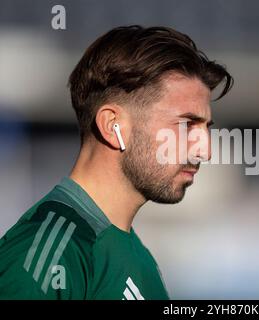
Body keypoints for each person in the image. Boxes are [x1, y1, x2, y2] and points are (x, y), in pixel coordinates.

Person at [0, 25, 232, 299]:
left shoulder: (135, 253)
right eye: (186, 125)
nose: (205, 151)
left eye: (206, 128)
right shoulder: (45, 255)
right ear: (113, 126)